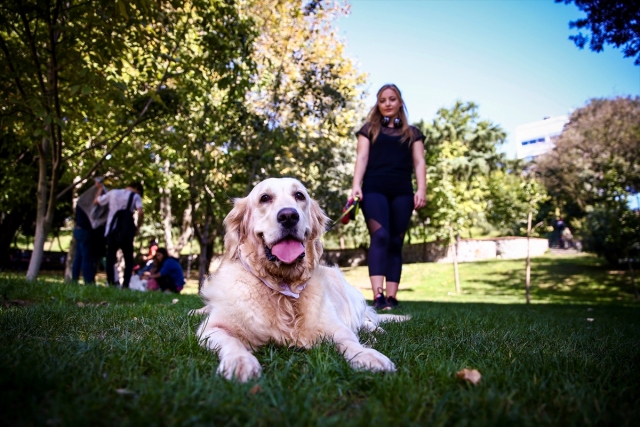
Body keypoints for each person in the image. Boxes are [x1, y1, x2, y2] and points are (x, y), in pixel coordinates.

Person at [350, 83, 426, 310]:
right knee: (381, 236)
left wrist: (421, 189)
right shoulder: (369, 130)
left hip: (402, 191)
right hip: (374, 188)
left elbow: (419, 162)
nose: (387, 104)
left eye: (392, 99)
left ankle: (392, 297)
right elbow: (361, 158)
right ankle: (378, 296)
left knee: (395, 242)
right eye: (382, 100)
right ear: (378, 104)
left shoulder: (412, 133)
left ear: (400, 102)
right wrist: (355, 186)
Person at [94, 181, 144, 289]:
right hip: (126, 232)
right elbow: (140, 212)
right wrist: (138, 226)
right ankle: (125, 285)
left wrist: (100, 189)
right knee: (128, 259)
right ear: (137, 188)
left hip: (112, 229)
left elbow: (97, 201)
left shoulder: (113, 193)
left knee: (110, 258)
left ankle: (111, 282)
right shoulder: (135, 196)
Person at [71, 204, 97, 284]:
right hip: (84, 230)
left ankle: (75, 279)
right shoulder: (88, 204)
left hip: (78, 229)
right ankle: (88, 281)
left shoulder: (80, 203)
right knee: (86, 257)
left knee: (78, 256)